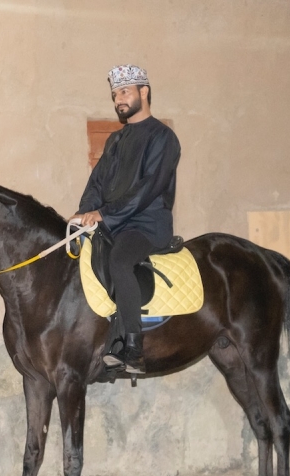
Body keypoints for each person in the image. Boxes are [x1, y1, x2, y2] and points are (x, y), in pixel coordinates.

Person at [74, 64, 181, 374]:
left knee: (120, 261)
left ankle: (132, 348)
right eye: (114, 94)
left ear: (143, 92)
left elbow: (148, 189)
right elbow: (97, 182)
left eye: (124, 92)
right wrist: (84, 213)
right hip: (114, 223)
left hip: (147, 226)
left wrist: (105, 214)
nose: (118, 99)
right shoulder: (116, 141)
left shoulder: (164, 138)